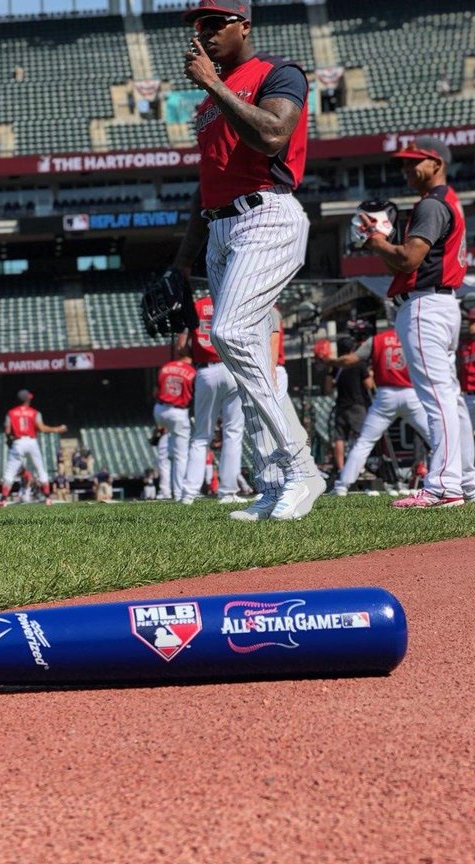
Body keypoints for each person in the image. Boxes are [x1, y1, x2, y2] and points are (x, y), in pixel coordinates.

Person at [172, 0, 322, 522]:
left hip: (267, 214)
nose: (205, 33)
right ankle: (273, 482)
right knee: (246, 361)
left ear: (244, 25)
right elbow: (206, 186)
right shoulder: (205, 107)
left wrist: (213, 84)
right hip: (220, 227)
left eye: (215, 23)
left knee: (230, 334)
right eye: (199, 26)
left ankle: (302, 469)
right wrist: (180, 262)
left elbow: (274, 134)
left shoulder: (278, 72)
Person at [355, 137, 472, 507]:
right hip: (437, 303)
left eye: (413, 162)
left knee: (438, 399)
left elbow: (407, 259)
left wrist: (375, 241)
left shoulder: (432, 205)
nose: (406, 170)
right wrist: (385, 239)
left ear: (436, 162)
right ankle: (466, 481)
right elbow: (405, 261)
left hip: (425, 306)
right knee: (449, 400)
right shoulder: (443, 202)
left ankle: (443, 486)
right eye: (403, 164)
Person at [323, 329, 428, 496]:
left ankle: (342, 485)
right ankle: (454, 479)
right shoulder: (415, 334)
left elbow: (350, 360)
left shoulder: (378, 339)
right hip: (410, 393)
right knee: (436, 437)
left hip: (386, 395)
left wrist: (330, 361)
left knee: (364, 442)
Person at [178, 293, 246, 504]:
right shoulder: (233, 300)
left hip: (206, 370)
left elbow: (182, 347)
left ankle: (188, 494)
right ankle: (227, 492)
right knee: (233, 432)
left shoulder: (197, 305)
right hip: (232, 368)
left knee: (201, 436)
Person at [0, 389, 68, 506]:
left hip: (18, 442)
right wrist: (58, 429)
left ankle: (4, 500)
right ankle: (48, 498)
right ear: (28, 399)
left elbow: (7, 431)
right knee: (41, 470)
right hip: (31, 441)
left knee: (9, 473)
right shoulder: (34, 412)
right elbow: (42, 429)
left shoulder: (11, 413)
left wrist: (10, 440)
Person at [323, 335, 372, 475]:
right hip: (357, 404)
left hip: (341, 404)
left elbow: (327, 388)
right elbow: (369, 385)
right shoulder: (359, 364)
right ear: (352, 348)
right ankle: (358, 468)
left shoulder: (337, 366)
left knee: (339, 438)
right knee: (359, 436)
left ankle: (341, 468)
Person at [153, 346, 195, 502]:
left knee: (164, 453)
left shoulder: (166, 367)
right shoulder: (191, 371)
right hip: (178, 411)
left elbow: (155, 390)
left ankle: (164, 491)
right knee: (180, 456)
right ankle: (178, 494)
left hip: (159, 409)